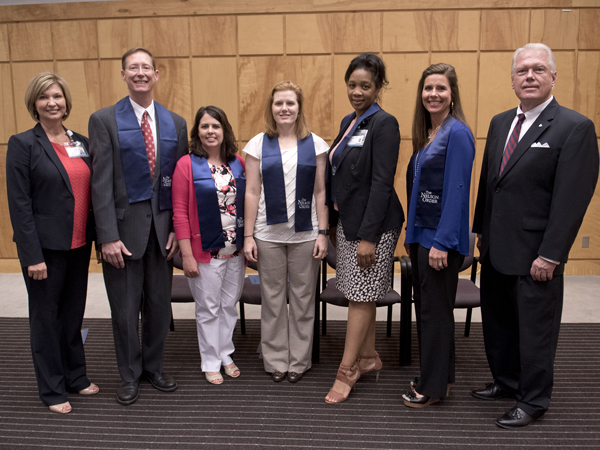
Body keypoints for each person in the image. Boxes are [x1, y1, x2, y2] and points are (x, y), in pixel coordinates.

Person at [472, 43, 599, 428]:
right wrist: (480, 231)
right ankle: (507, 381)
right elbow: (489, 184)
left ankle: (533, 400)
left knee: (535, 333)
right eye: (523, 70)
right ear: (512, 79)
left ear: (553, 77)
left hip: (536, 255)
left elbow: (572, 200)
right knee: (499, 324)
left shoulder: (574, 127)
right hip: (496, 248)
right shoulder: (499, 123)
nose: (530, 76)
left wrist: (552, 254)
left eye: (538, 70)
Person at [88, 47, 188, 405]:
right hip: (123, 234)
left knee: (159, 306)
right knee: (126, 310)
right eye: (133, 67)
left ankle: (153, 367)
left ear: (157, 74)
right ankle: (129, 374)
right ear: (124, 75)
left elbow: (180, 184)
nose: (141, 73)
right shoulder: (103, 120)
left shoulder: (175, 122)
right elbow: (99, 183)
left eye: (146, 67)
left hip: (163, 233)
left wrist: (179, 228)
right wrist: (107, 237)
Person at [6, 72, 99, 414]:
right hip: (43, 251)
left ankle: (75, 377)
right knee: (45, 319)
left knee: (73, 315)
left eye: (57, 96)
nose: (52, 102)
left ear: (66, 101)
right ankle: (52, 389)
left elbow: (92, 193)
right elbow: (20, 204)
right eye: (44, 97)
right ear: (34, 103)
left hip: (78, 245)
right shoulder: (23, 144)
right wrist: (32, 255)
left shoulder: (82, 141)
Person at [324, 53, 404, 404]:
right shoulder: (350, 120)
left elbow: (382, 183)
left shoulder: (385, 124)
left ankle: (348, 370)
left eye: (365, 86)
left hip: (373, 227)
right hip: (349, 222)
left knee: (358, 296)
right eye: (352, 85)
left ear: (378, 87)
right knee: (363, 292)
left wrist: (368, 237)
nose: (357, 92)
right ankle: (369, 357)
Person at [243, 81, 328, 383]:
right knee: (274, 300)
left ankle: (299, 361)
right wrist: (248, 235)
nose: (284, 109)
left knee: (304, 299)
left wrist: (323, 232)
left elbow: (320, 192)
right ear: (271, 108)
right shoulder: (257, 144)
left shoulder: (316, 144)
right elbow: (252, 191)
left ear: (299, 107)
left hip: (307, 235)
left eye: (290, 103)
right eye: (279, 103)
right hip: (268, 235)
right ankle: (276, 359)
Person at [402, 63, 475, 408]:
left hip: (439, 242)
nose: (433, 94)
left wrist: (442, 242)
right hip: (423, 238)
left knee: (433, 314)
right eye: (428, 88)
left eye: (441, 89)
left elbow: (457, 191)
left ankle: (430, 389)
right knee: (432, 311)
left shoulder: (457, 133)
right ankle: (439, 379)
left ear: (452, 94)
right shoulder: (431, 134)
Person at [172, 106, 246, 385]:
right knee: (208, 308)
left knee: (229, 305)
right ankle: (211, 360)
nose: (210, 131)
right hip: (204, 254)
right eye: (204, 126)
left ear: (224, 130)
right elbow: (179, 211)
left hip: (234, 251)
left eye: (216, 125)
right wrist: (186, 255)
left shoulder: (237, 162)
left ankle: (226, 353)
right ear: (197, 132)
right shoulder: (186, 164)